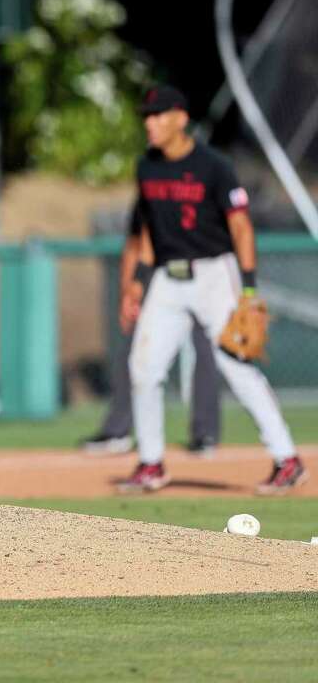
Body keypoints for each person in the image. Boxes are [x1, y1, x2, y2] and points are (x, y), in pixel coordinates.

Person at [117, 85, 306, 495]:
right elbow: (151, 231)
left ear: (180, 118)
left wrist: (250, 289)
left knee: (237, 367)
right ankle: (151, 463)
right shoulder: (146, 167)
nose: (150, 123)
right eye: (146, 116)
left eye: (158, 115)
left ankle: (286, 458)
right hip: (167, 277)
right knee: (143, 369)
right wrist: (137, 281)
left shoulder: (213, 166)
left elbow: (240, 226)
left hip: (214, 275)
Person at [81, 204, 222, 456]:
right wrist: (128, 293)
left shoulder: (207, 184)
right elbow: (135, 245)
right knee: (136, 354)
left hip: (204, 280)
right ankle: (118, 431)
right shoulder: (152, 187)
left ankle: (205, 434)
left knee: (208, 352)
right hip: (162, 283)